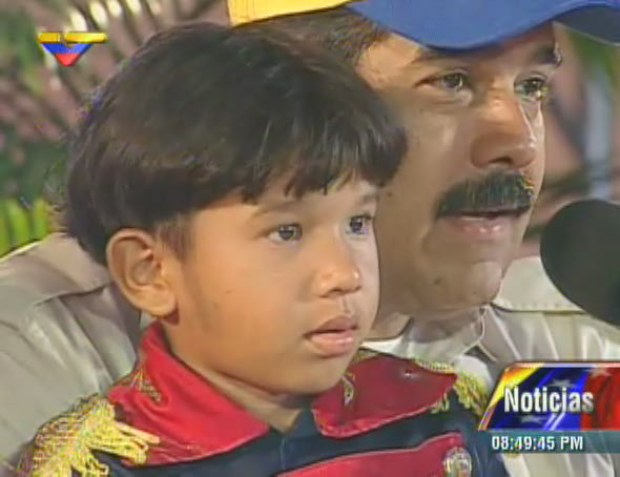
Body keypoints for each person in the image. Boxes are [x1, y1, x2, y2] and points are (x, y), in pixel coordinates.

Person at [2, 0, 620, 474]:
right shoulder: (35, 357)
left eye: (531, 86)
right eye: (452, 81)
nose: (520, 143)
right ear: (288, 87)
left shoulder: (574, 340)